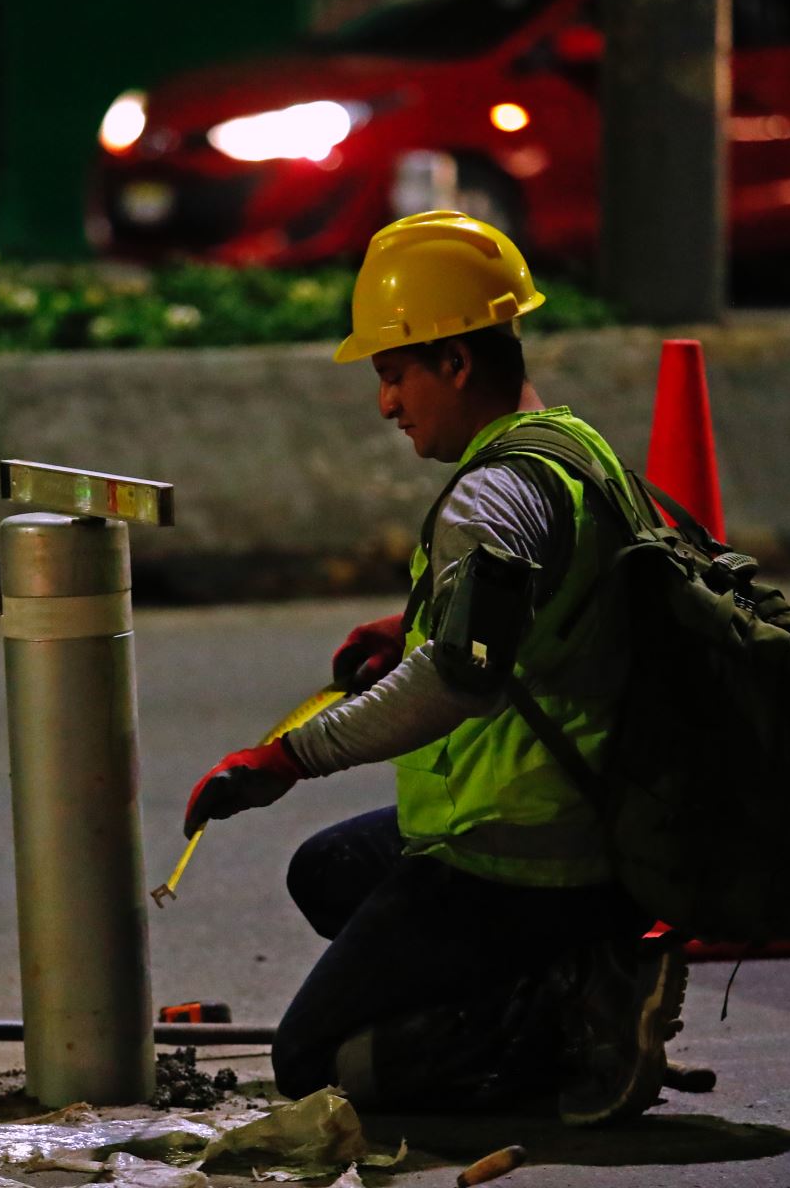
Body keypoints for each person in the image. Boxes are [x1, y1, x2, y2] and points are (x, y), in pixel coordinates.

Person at [181, 211, 686, 1122]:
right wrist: (406, 623)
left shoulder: (491, 496)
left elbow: (460, 679)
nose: (386, 404)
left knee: (313, 1065)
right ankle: (558, 971)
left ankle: (578, 1016)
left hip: (528, 852)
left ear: (456, 362)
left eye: (394, 373)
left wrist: (289, 758)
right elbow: (548, 604)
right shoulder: (569, 447)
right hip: (599, 817)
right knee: (328, 869)